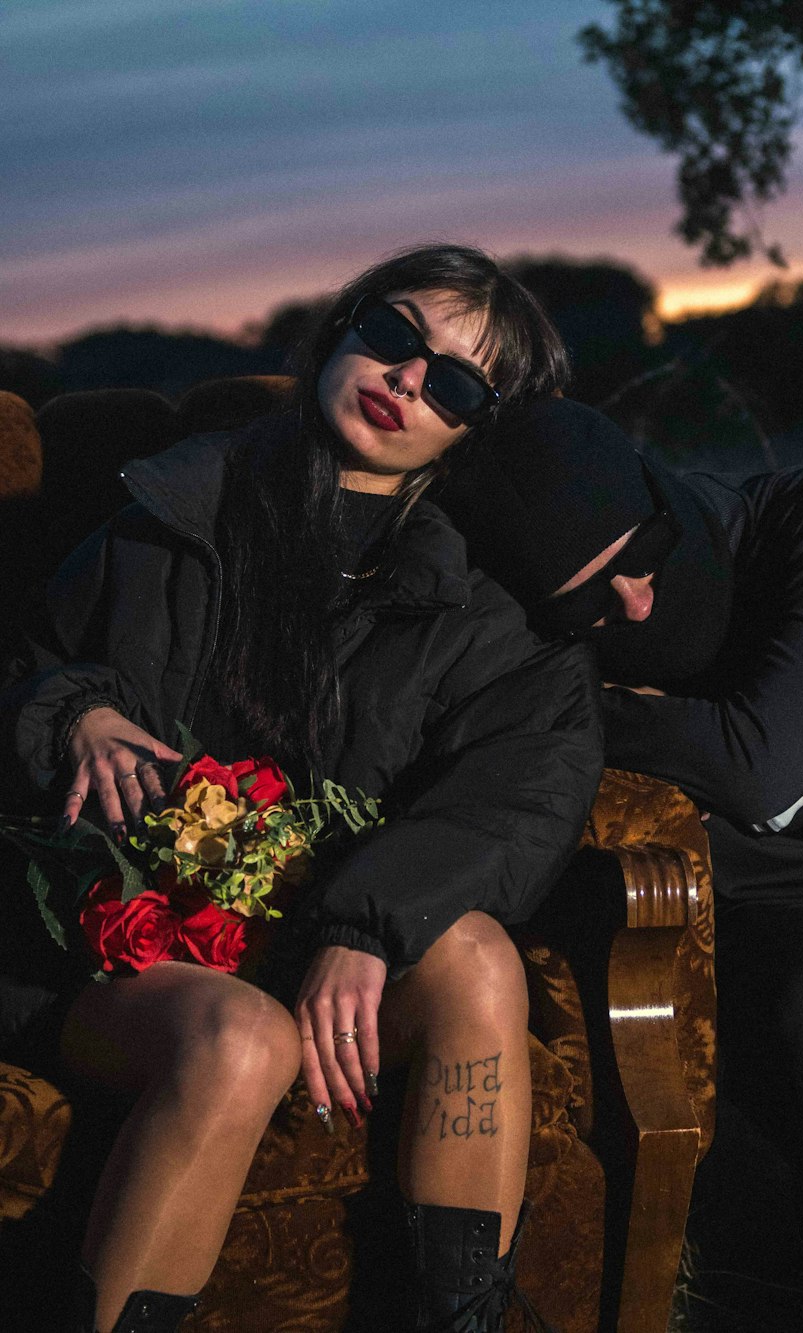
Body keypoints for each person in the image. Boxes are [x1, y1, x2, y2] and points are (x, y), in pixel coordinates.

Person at [0, 248, 603, 1333]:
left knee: (472, 952)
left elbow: (523, 792)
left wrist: (365, 926)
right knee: (242, 1038)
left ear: (479, 427)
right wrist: (76, 706)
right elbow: (28, 661)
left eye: (458, 383)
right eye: (395, 334)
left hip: (313, 928)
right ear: (343, 326)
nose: (409, 378)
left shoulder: (485, 597)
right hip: (109, 940)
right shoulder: (171, 504)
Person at [436, 394, 803, 1333]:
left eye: (643, 554)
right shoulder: (578, 643)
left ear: (662, 489)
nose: (636, 602)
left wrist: (601, 709)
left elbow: (762, 765)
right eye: (587, 601)